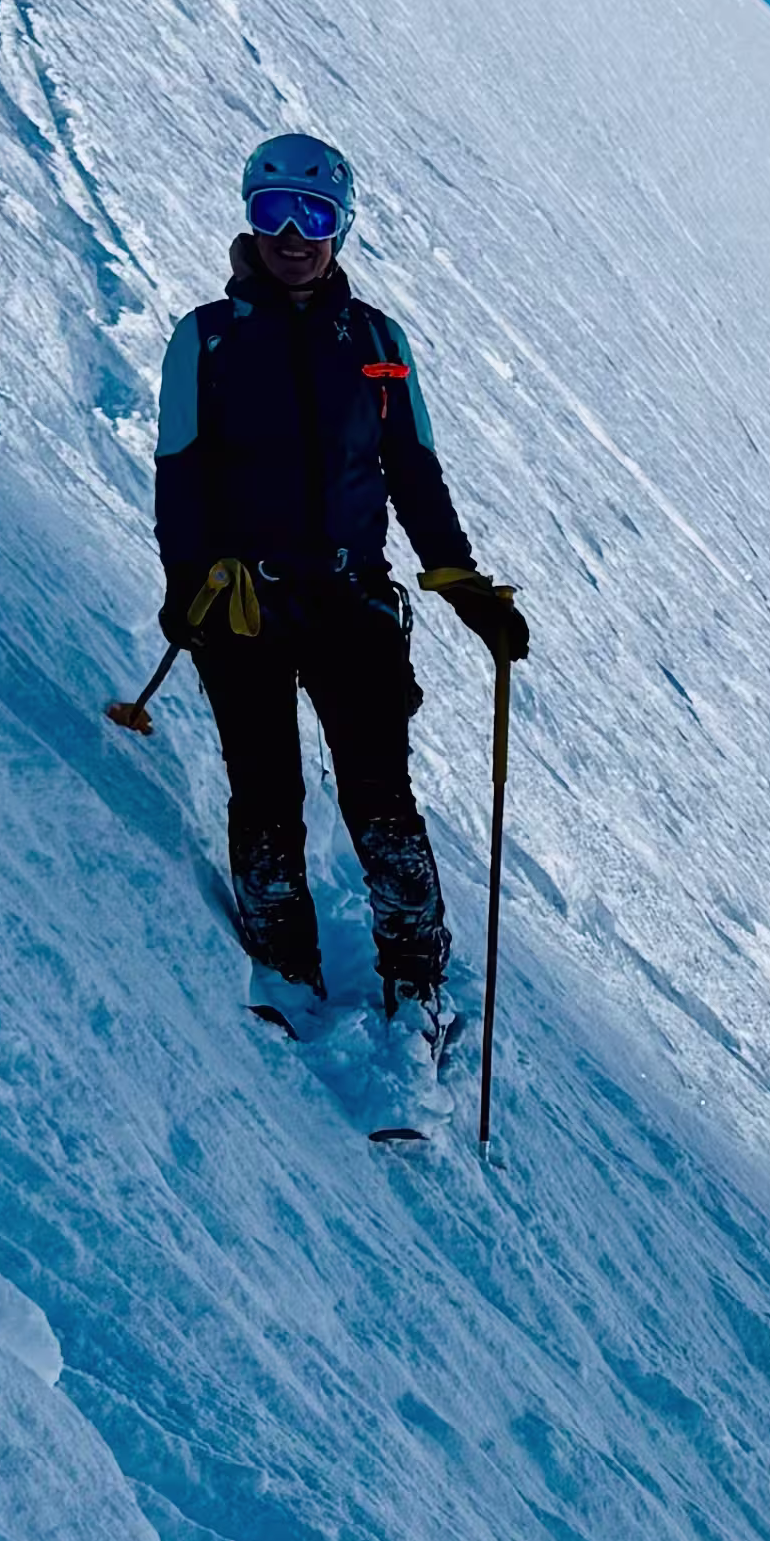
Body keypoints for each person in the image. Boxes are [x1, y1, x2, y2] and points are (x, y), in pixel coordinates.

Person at [154, 132, 528, 1009]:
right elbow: (181, 473)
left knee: (380, 798)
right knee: (266, 790)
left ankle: (417, 980)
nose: (292, 233)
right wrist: (186, 585)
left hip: (353, 603)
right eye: (272, 210)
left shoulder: (377, 342)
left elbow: (414, 472)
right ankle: (285, 969)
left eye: (313, 214)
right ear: (249, 218)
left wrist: (461, 584)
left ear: (342, 227)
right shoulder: (204, 341)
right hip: (240, 604)